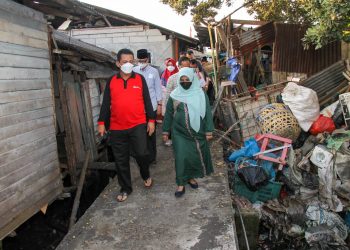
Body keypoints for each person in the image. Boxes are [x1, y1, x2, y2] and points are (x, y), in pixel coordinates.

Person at [98, 48, 155, 202]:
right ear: (118, 64)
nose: (128, 64)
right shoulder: (111, 81)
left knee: (142, 153)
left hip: (138, 124)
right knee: (121, 160)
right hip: (117, 127)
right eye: (125, 62)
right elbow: (105, 104)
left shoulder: (140, 79)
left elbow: (147, 101)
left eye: (131, 61)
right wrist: (102, 122)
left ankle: (145, 173)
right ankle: (125, 188)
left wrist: (151, 120)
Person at [162, 67, 214, 198]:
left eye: (187, 79)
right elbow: (168, 114)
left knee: (193, 156)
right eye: (182, 80)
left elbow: (207, 112)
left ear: (192, 79)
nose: (185, 82)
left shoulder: (200, 93)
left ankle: (191, 178)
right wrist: (165, 131)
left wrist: (209, 130)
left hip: (197, 132)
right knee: (181, 157)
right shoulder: (174, 94)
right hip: (179, 132)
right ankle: (180, 183)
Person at [133, 49, 162, 164]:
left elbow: (158, 89)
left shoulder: (154, 71)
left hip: (151, 107)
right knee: (139, 134)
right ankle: (142, 157)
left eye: (143, 60)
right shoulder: (133, 71)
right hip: (137, 108)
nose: (141, 62)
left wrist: (159, 104)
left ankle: (152, 157)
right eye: (139, 60)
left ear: (147, 59)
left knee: (151, 133)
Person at [162, 56, 190, 146]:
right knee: (177, 128)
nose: (186, 69)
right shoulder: (172, 78)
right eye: (183, 67)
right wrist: (165, 109)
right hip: (176, 110)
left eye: (188, 67)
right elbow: (167, 95)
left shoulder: (193, 78)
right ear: (179, 67)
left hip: (190, 109)